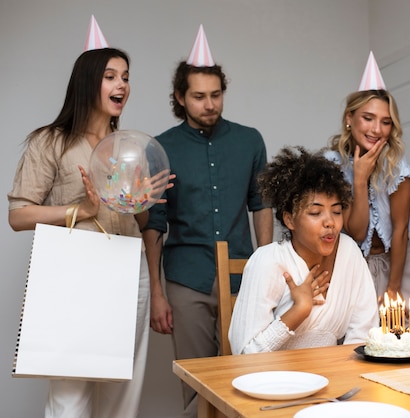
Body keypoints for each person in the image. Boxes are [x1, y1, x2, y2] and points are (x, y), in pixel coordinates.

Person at [7, 46, 151, 417]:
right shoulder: (50, 141)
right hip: (76, 273)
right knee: (70, 397)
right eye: (111, 76)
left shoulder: (129, 148)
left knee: (123, 393)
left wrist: (141, 201)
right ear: (88, 83)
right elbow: (18, 215)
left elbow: (141, 222)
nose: (122, 84)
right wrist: (80, 210)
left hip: (129, 270)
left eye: (125, 77)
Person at [142, 25, 273, 417]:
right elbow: (155, 222)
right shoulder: (161, 147)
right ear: (180, 98)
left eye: (216, 95)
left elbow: (261, 203)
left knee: (246, 374)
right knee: (197, 380)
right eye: (199, 96)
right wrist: (157, 292)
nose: (210, 104)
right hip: (187, 280)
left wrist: (267, 267)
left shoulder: (250, 140)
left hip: (243, 276)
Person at [229, 146, 378, 354]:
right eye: (316, 212)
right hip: (272, 383)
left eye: (336, 211)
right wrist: (298, 311)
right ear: (289, 219)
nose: (330, 223)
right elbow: (244, 356)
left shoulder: (349, 252)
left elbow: (364, 336)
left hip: (332, 380)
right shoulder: (267, 261)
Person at [325, 52, 410, 304]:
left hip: (397, 267)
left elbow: (400, 231)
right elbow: (356, 233)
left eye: (386, 122)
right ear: (349, 118)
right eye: (368, 118)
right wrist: (359, 179)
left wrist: (394, 288)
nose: (376, 129)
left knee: (401, 338)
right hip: (354, 268)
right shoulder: (333, 165)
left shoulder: (397, 167)